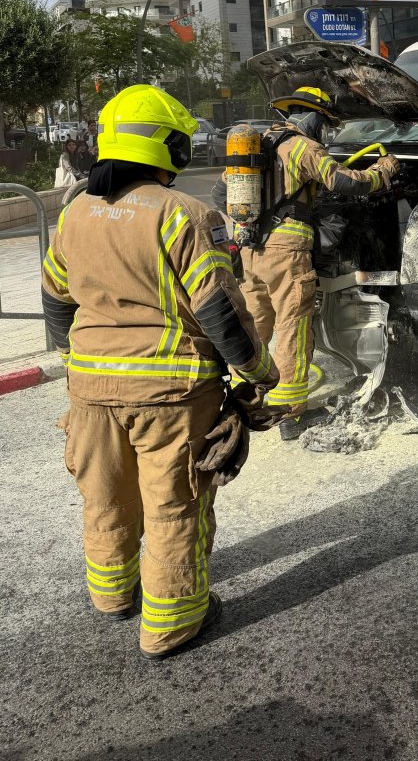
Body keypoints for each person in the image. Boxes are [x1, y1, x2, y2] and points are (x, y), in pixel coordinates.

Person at [41, 85, 279, 661]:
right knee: (174, 505)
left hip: (89, 390)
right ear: (168, 146)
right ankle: (171, 625)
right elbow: (220, 311)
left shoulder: (75, 212)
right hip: (170, 395)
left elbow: (54, 297)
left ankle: (112, 597)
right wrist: (259, 372)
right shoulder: (186, 214)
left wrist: (81, 359)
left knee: (105, 497)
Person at [215, 87, 399, 442]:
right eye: (325, 124)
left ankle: (243, 400)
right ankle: (290, 415)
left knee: (254, 327)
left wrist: (251, 220)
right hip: (287, 252)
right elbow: (344, 181)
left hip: (252, 248)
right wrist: (383, 170)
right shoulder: (302, 147)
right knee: (292, 329)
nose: (325, 132)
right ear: (312, 116)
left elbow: (220, 195)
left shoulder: (258, 145)